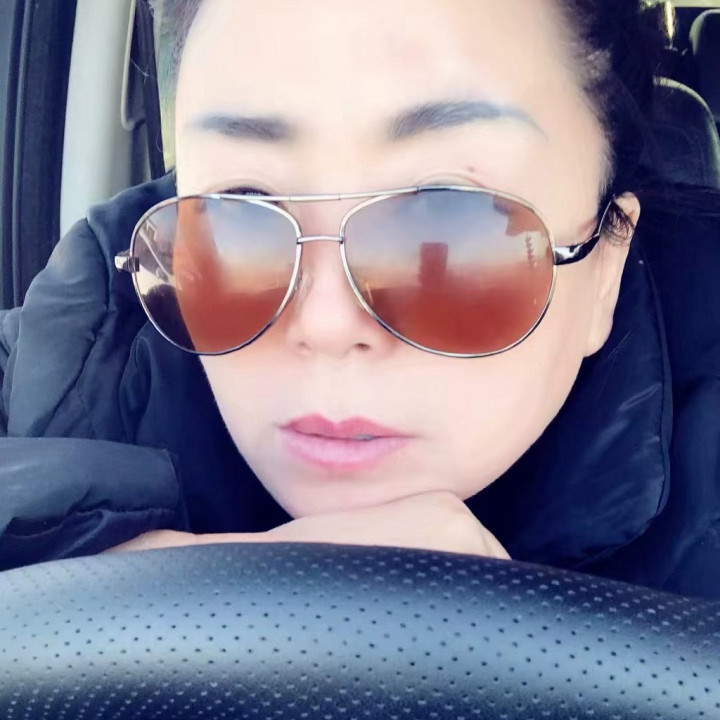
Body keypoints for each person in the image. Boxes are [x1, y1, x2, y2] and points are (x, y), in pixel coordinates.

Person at [1, 0, 719, 599]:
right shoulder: (90, 337)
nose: (323, 324)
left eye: (447, 222)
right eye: (240, 212)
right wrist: (150, 580)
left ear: (605, 264)